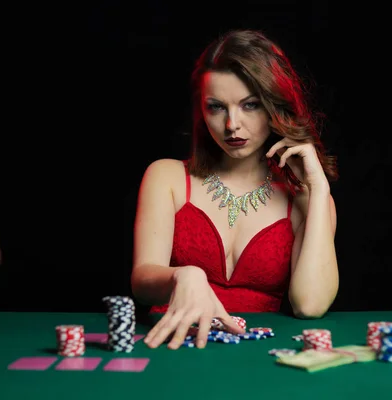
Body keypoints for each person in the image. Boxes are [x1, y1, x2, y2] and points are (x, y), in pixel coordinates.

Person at [130, 29, 339, 350]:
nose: (231, 125)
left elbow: (309, 305)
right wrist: (182, 275)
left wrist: (318, 187)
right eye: (216, 107)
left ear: (274, 105)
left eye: (250, 105)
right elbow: (142, 283)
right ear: (201, 110)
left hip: (255, 356)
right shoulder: (166, 176)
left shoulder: (307, 197)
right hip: (170, 346)